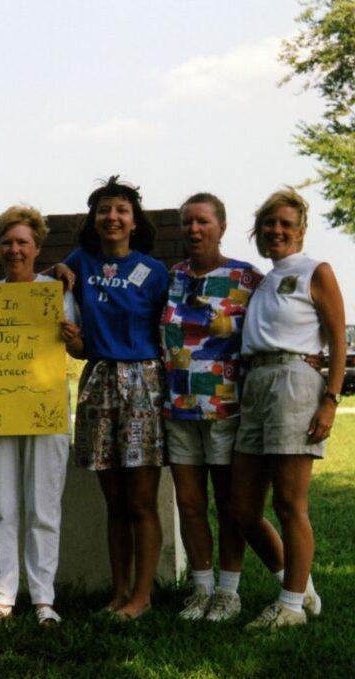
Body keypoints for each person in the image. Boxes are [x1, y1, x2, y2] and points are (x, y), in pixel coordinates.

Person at [0, 206, 79, 625]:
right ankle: (2, 595)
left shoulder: (56, 292)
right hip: (1, 412)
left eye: (22, 242)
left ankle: (44, 597)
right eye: (7, 242)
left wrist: (73, 336)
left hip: (45, 410)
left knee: (43, 504)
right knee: (0, 503)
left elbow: (78, 349)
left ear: (37, 247)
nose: (14, 249)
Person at [59, 177, 169, 620]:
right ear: (93, 219)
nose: (112, 217)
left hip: (143, 380)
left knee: (141, 500)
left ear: (134, 220)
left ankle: (143, 596)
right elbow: (49, 286)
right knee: (115, 502)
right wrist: (58, 274)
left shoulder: (153, 271)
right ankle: (119, 592)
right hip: (98, 379)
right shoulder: (79, 263)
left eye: (121, 210)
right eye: (104, 209)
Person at [233, 188, 343, 628]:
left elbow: (337, 339)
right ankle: (302, 586)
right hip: (255, 384)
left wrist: (330, 402)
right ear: (258, 230)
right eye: (269, 223)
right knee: (242, 509)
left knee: (290, 504)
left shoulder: (316, 270)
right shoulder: (264, 279)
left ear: (299, 231)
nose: (276, 230)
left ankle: (292, 606)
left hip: (294, 382)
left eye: (285, 224)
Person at [160, 193, 261, 622]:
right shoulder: (171, 277)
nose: (194, 230)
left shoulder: (246, 278)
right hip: (178, 407)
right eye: (187, 223)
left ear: (221, 226)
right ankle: (200, 589)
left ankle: (228, 591)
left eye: (202, 221)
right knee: (189, 503)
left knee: (229, 504)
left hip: (226, 408)